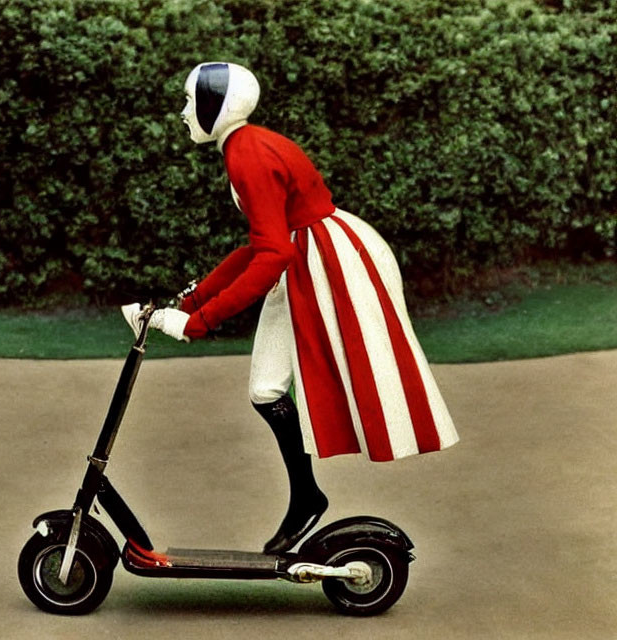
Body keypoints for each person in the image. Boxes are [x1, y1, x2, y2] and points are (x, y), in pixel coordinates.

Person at [136, 61, 459, 555]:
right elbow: (262, 244)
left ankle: (306, 498)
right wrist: (194, 300)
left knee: (301, 381)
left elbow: (274, 253)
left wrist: (198, 322)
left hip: (322, 261)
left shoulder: (247, 155)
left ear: (216, 107)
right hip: (310, 252)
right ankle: (307, 497)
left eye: (188, 100)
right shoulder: (247, 145)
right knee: (265, 388)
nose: (183, 112)